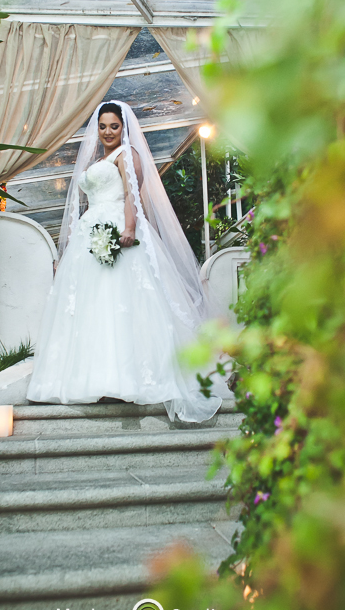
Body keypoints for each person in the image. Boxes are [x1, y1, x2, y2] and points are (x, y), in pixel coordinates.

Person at [26, 100, 230, 422]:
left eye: (114, 126)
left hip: (119, 229)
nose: (108, 132)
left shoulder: (127, 154)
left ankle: (128, 379)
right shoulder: (100, 159)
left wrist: (130, 228)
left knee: (121, 301)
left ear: (124, 127)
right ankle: (94, 378)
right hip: (91, 234)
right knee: (92, 305)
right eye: (103, 126)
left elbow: (132, 194)